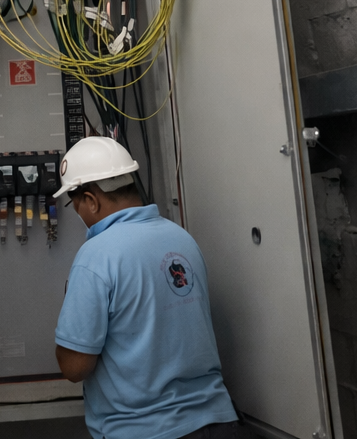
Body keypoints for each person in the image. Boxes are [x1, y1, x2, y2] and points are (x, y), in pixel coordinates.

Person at [53, 137, 242, 439]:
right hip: (219, 420)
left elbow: (75, 367)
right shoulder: (182, 238)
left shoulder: (96, 256)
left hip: (144, 429)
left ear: (91, 200)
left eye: (74, 204)